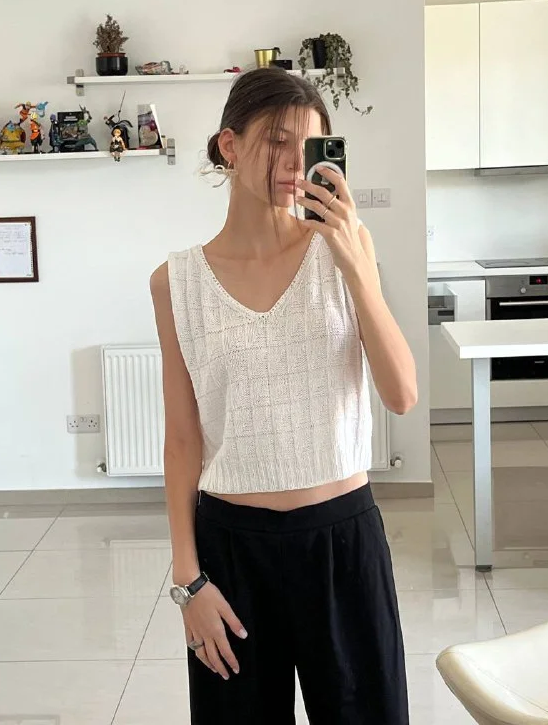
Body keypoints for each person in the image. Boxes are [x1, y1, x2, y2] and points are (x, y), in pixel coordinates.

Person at [150, 67, 418, 725]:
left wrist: (354, 266)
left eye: (310, 145)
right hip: (231, 551)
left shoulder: (346, 251)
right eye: (277, 141)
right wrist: (188, 582)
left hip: (342, 542)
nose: (296, 163)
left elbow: (402, 394)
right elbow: (182, 439)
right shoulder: (176, 282)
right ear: (230, 145)